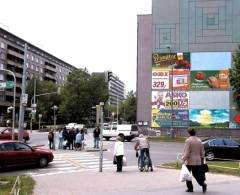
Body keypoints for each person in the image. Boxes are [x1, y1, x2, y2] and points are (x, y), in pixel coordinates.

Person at [182, 127, 207, 193]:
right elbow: (202, 152)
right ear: (195, 132)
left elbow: (187, 152)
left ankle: (190, 188)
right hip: (198, 160)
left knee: (187, 175)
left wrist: (183, 159)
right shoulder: (199, 140)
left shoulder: (188, 140)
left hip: (190, 160)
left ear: (189, 133)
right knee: (196, 175)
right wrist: (202, 159)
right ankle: (203, 184)